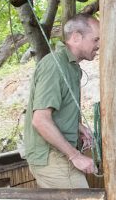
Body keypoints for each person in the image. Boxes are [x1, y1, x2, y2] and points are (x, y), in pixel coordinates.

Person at [24, 13, 100, 188]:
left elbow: (58, 110)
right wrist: (75, 155)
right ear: (76, 37)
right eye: (95, 40)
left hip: (59, 154)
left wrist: (76, 125)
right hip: (51, 156)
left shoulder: (71, 67)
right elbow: (40, 120)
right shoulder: (54, 65)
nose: (99, 45)